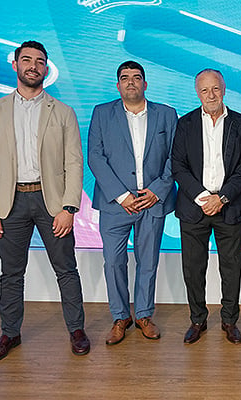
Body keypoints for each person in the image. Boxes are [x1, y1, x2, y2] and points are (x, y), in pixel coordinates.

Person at [0, 40, 89, 362]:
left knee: (66, 269)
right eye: (27, 60)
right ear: (15, 65)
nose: (33, 66)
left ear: (46, 68)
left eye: (40, 62)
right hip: (9, 204)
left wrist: (69, 208)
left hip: (51, 202)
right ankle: (9, 334)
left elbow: (73, 163)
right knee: (11, 273)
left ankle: (77, 330)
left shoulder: (63, 112)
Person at [88, 61, 178, 345]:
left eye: (136, 78)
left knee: (148, 261)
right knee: (113, 262)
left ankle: (143, 314)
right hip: (116, 204)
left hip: (152, 201)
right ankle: (119, 316)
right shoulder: (102, 113)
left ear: (145, 84)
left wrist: (157, 190)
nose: (130, 83)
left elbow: (175, 157)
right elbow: (95, 157)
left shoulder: (166, 115)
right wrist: (122, 195)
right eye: (124, 78)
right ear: (118, 85)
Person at [171, 69, 241, 345]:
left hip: (230, 205)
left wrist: (222, 198)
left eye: (215, 89)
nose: (211, 95)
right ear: (197, 93)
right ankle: (198, 319)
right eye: (205, 90)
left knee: (231, 268)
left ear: (224, 89)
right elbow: (178, 167)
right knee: (193, 268)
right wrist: (203, 196)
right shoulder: (185, 124)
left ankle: (229, 320)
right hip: (194, 207)